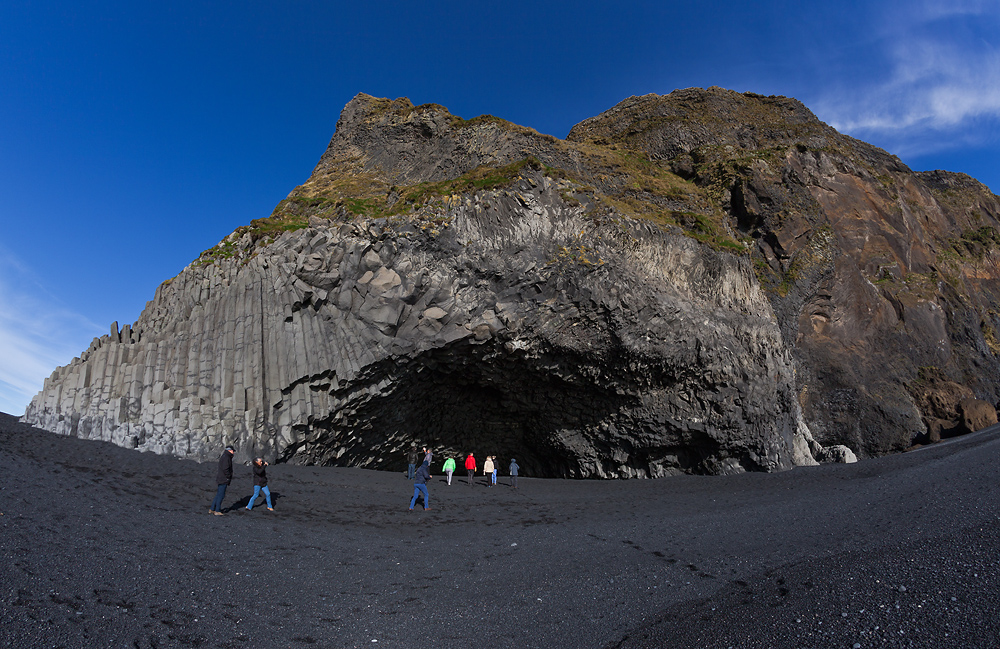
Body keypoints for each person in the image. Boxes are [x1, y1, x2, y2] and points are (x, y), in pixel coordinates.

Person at [210, 445, 235, 515]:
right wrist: (228, 476)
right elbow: (225, 469)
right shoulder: (227, 457)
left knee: (218, 494)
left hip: (221, 478)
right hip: (223, 478)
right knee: (221, 495)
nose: (233, 452)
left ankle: (212, 508)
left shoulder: (224, 456)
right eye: (233, 451)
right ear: (230, 450)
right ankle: (217, 510)